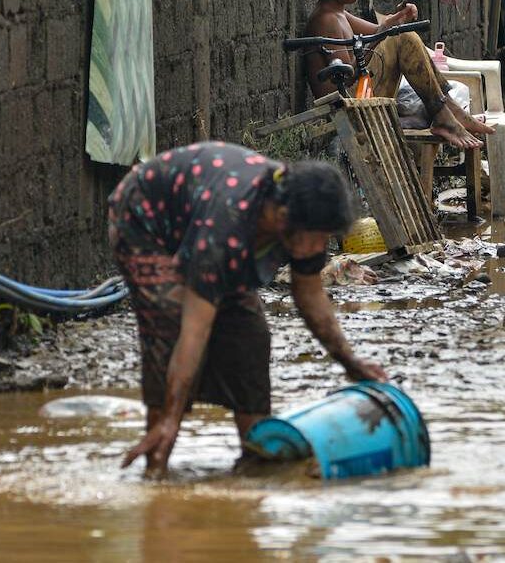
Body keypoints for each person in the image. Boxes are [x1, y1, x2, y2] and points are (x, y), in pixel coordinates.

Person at [110, 142, 388, 476]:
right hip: (147, 222)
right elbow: (194, 331)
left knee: (251, 336)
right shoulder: (227, 225)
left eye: (325, 238)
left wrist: (351, 363)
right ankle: (156, 463)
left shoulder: (305, 221)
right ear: (283, 216)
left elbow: (311, 296)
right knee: (168, 326)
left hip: (207, 226)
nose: (318, 248)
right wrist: (173, 416)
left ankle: (257, 459)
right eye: (315, 238)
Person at [304, 0, 493, 149]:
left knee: (403, 35)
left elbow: (377, 31)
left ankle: (447, 110)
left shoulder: (339, 13)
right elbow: (347, 77)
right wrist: (385, 33)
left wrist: (398, 16)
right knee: (404, 38)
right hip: (345, 109)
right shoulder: (326, 19)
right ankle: (445, 113)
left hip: (358, 97)